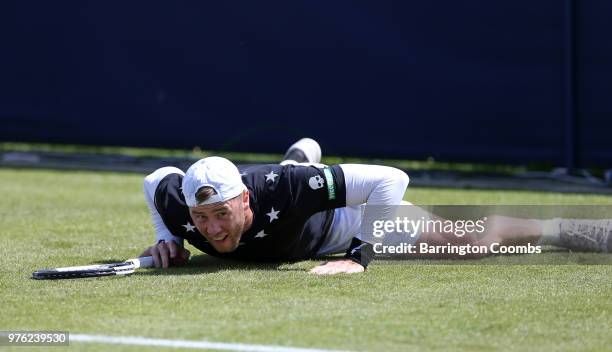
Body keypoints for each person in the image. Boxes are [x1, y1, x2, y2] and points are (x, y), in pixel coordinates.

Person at [140, 138, 611, 274]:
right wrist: (167, 237)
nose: (214, 231)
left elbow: (391, 178)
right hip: (291, 206)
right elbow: (155, 179)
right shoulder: (179, 202)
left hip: (341, 225)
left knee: (465, 241)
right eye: (202, 219)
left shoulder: (284, 191)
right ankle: (299, 157)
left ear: (243, 200)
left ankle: (568, 229)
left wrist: (360, 254)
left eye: (222, 215)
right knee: (295, 181)